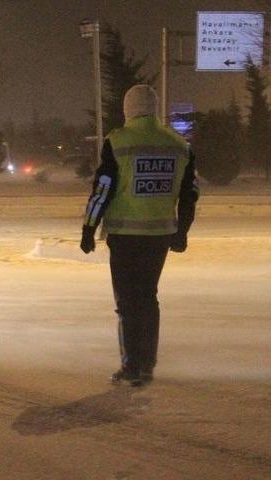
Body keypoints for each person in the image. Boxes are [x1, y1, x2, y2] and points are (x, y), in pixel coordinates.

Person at [80, 85, 199, 387]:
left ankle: (132, 365)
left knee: (127, 302)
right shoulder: (178, 145)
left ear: (128, 109)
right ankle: (147, 363)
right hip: (160, 234)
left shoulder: (118, 142)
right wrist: (182, 230)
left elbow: (102, 190)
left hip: (124, 236)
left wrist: (88, 228)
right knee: (148, 297)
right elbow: (190, 193)